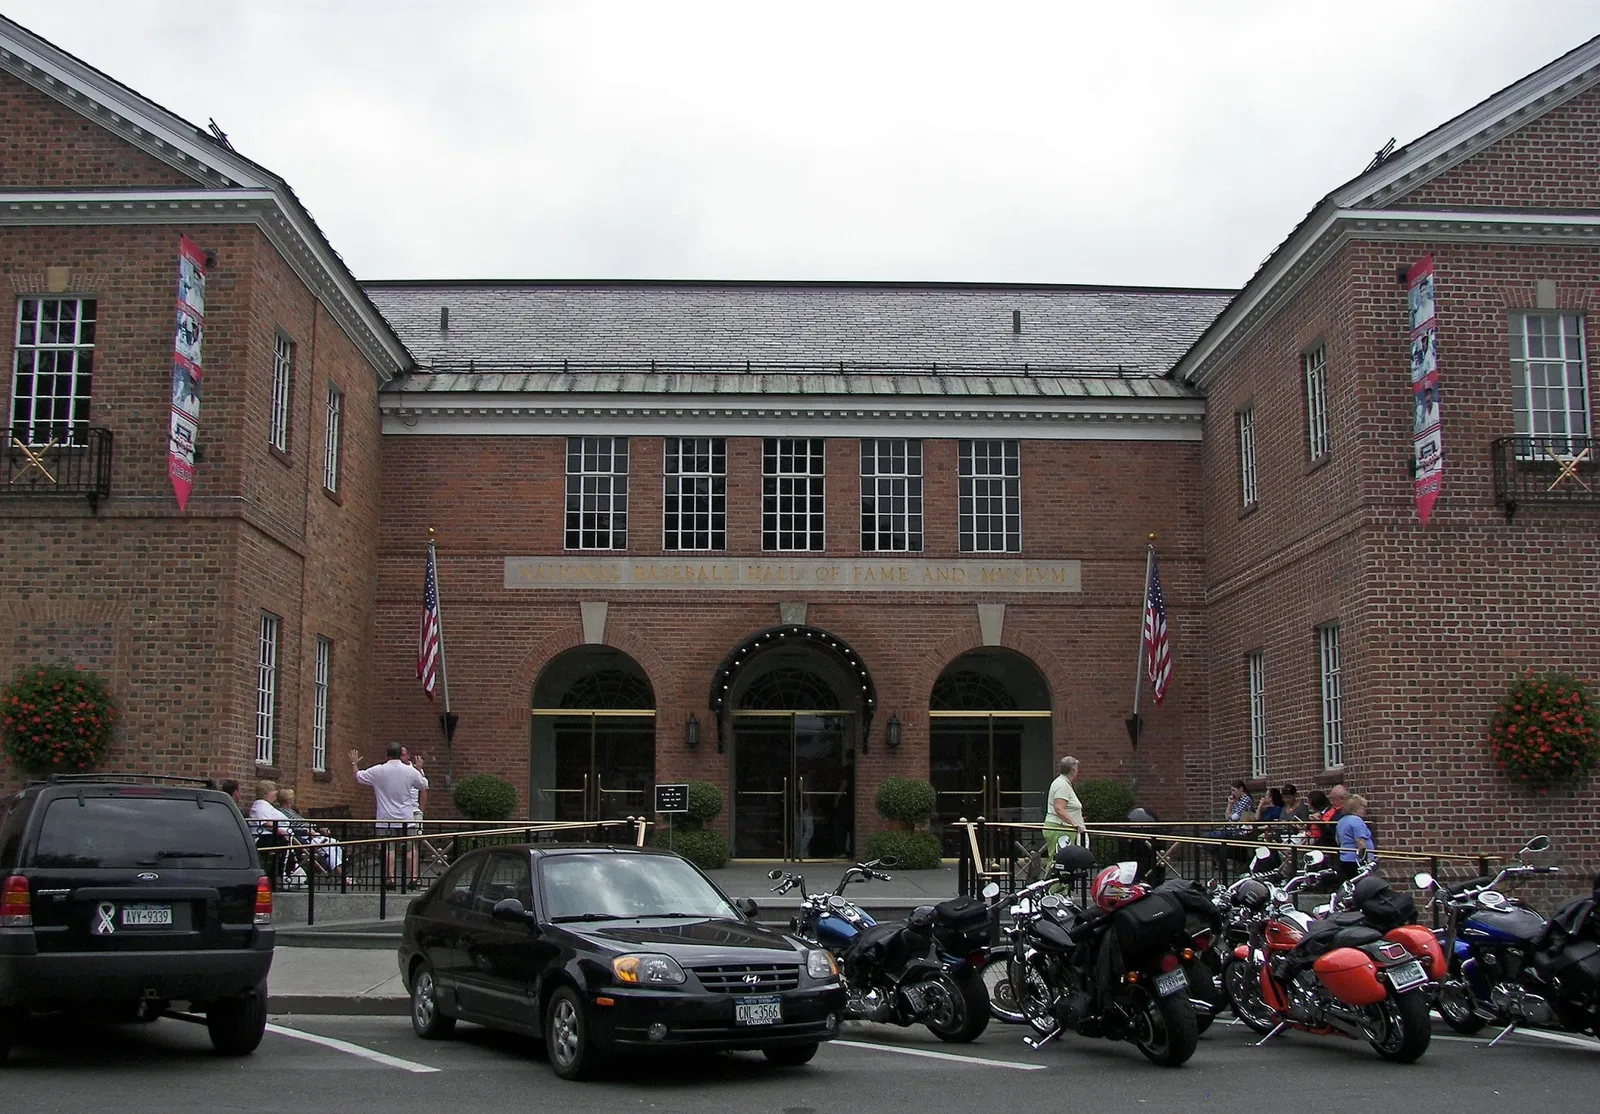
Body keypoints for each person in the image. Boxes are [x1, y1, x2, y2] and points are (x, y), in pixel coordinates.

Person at [351, 744, 429, 883]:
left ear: (386, 755)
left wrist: (354, 763)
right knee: (410, 848)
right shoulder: (409, 771)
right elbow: (423, 785)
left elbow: (358, 776)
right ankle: (414, 879)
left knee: (388, 848)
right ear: (400, 755)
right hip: (406, 817)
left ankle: (390, 879)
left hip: (385, 817)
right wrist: (418, 769)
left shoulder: (378, 770)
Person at [248, 780, 290, 888]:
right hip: (265, 838)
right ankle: (280, 877)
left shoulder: (267, 805)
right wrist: (280, 831)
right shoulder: (260, 805)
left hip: (279, 836)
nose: (276, 792)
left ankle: (285, 876)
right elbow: (265, 822)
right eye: (273, 790)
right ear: (265, 793)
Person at [1042, 756, 1087, 852]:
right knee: (1061, 858)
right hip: (1060, 828)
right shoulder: (1062, 785)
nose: (1078, 771)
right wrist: (1075, 823)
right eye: (1076, 768)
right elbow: (1059, 808)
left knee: (1065, 858)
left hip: (1062, 828)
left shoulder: (1063, 783)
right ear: (1072, 770)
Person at [1336, 794, 1375, 879]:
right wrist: (1366, 861)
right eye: (1363, 808)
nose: (1365, 811)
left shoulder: (1341, 821)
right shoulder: (1357, 821)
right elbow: (1360, 842)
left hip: (1345, 859)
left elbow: (1338, 840)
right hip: (1356, 861)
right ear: (1356, 809)